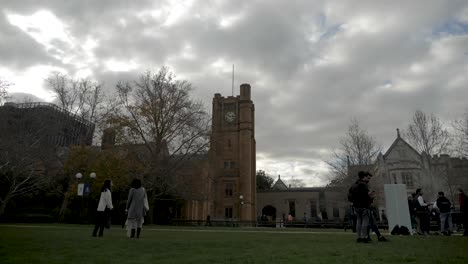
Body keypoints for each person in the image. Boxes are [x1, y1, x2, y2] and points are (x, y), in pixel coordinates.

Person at [348, 171, 373, 243]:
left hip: (356, 206)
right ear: (364, 176)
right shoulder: (363, 185)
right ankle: (364, 237)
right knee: (365, 221)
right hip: (364, 205)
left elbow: (349, 195)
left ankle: (358, 237)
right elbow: (366, 194)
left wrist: (353, 202)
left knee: (358, 221)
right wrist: (371, 195)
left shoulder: (353, 185)